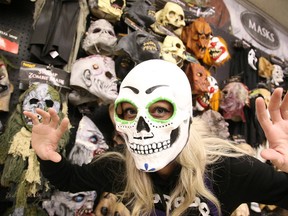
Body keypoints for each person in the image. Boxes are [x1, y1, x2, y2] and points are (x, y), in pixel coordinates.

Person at [23, 59, 288, 216]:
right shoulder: (119, 167)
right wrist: (48, 156)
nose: (141, 126)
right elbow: (69, 179)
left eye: (159, 110)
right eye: (129, 112)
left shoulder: (228, 169)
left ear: (184, 115)